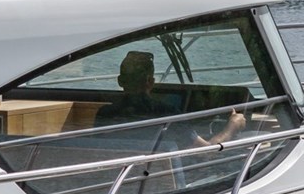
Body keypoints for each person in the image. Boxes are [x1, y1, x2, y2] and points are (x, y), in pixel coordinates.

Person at [96, 50, 245, 146]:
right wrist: (232, 127)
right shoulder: (168, 114)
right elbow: (206, 152)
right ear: (151, 82)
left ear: (120, 81)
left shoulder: (104, 114)